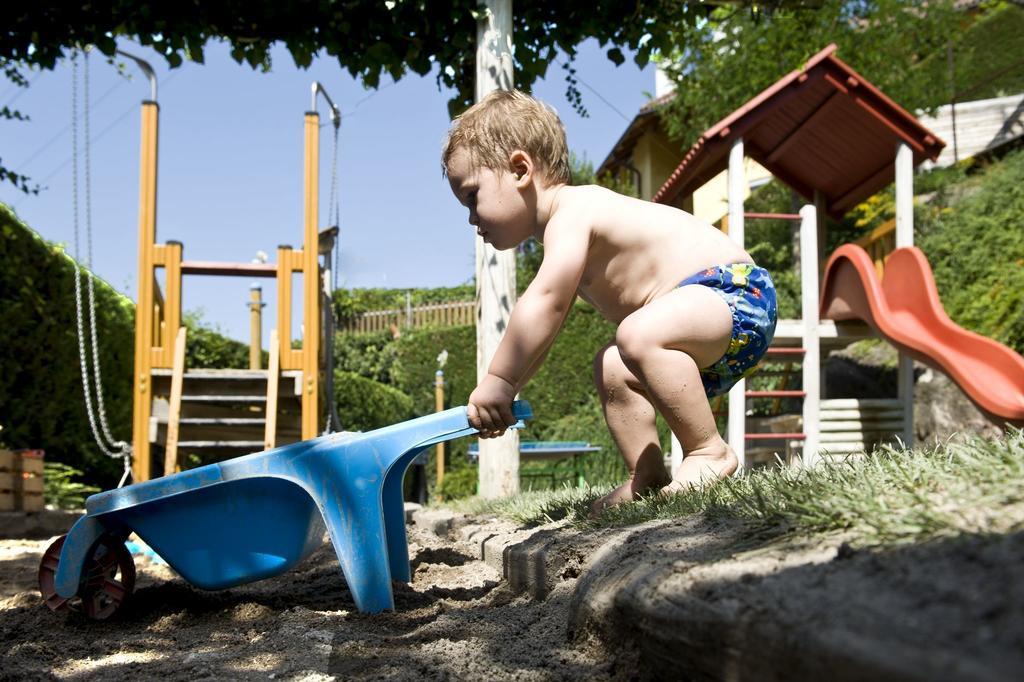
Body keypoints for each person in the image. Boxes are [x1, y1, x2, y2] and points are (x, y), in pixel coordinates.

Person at [442, 90, 777, 512]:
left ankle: (709, 452)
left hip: (736, 296)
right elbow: (544, 332)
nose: (472, 218)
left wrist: (500, 381)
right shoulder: (563, 233)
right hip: (702, 324)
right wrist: (510, 389)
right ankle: (648, 474)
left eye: (472, 196)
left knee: (634, 333)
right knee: (614, 363)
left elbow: (545, 302)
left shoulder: (575, 211)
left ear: (520, 168)